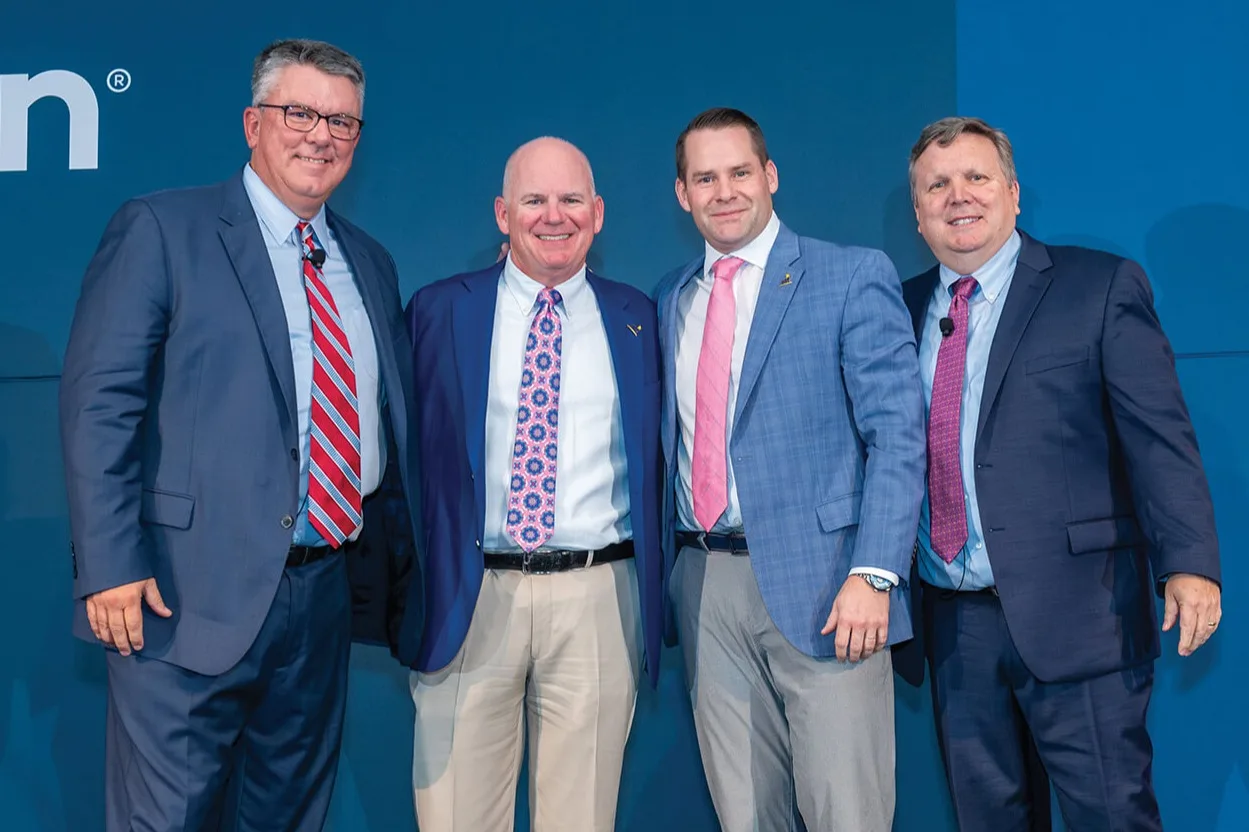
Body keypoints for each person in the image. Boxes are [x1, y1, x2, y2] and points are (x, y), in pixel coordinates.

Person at [59, 38, 420, 831]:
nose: (319, 135)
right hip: (178, 599)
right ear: (253, 122)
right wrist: (110, 564)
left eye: (342, 122)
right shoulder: (162, 228)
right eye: (299, 113)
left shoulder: (370, 262)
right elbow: (100, 402)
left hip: (321, 602)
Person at [898, 115, 1223, 831]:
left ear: (1014, 195)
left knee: (1110, 816)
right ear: (916, 212)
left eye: (976, 178)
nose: (959, 196)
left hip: (1082, 612)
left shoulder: (1096, 286)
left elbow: (1158, 438)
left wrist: (1190, 563)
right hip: (953, 621)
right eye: (937, 185)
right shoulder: (895, 307)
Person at [655, 107, 926, 831]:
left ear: (769, 176)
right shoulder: (669, 299)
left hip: (830, 590)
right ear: (681, 194)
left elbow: (898, 435)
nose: (724, 191)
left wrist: (875, 573)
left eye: (739, 172)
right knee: (744, 816)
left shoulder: (848, 274)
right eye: (704, 178)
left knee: (847, 814)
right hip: (704, 584)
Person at [398, 136, 664, 831]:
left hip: (598, 598)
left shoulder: (638, 317)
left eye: (571, 199)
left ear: (598, 212)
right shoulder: (435, 312)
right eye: (534, 200)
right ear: (502, 212)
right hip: (469, 594)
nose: (555, 216)